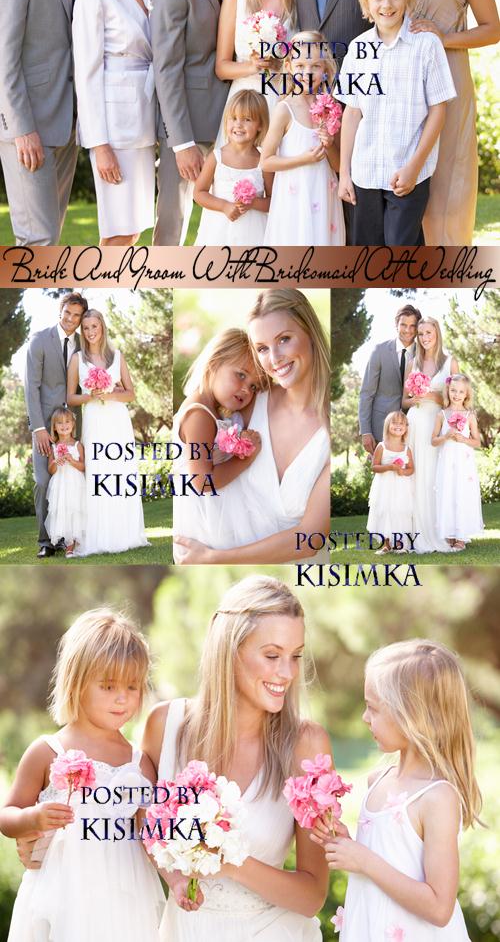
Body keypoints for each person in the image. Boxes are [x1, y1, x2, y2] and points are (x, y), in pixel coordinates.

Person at [142, 574, 330, 939]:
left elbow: (311, 897)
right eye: (272, 655)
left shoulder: (307, 744)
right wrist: (177, 877)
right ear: (229, 650)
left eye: (295, 656)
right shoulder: (165, 726)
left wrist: (230, 863)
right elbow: (142, 822)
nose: (287, 673)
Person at [1, 608, 165, 941]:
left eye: (132, 687)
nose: (122, 698)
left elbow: (150, 836)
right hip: (65, 893)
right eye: (108, 686)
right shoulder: (47, 752)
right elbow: (7, 816)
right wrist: (34, 818)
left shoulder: (140, 763)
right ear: (77, 682)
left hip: (127, 898)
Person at [316, 639, 481, 940]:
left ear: (411, 716)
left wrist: (363, 860)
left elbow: (439, 907)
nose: (365, 718)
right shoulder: (377, 780)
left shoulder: (437, 797)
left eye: (373, 709)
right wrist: (348, 846)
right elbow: (387, 863)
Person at [385, 0, 500, 245]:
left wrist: (442, 37)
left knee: (446, 194)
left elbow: (493, 29)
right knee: (402, 198)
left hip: (447, 86)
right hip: (399, 90)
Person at [174, 289, 330, 564]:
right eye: (262, 348)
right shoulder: (248, 403)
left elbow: (310, 539)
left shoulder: (333, 426)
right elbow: (199, 467)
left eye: (284, 339)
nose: (275, 358)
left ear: (309, 332)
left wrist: (215, 558)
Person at [338, 0, 456, 245]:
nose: (387, 5)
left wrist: (414, 167)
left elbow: (438, 111)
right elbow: (352, 113)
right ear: (366, 3)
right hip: (365, 173)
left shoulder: (426, 45)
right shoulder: (358, 49)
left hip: (407, 171)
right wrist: (344, 173)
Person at [151, 0, 244, 245]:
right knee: (172, 227)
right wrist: (181, 142)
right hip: (189, 124)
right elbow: (167, 66)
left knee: (236, 221)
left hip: (240, 118)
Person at [0, 0, 81, 245]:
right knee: (38, 240)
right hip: (28, 128)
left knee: (50, 238)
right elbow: (5, 55)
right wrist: (21, 129)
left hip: (64, 126)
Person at [72, 0, 156, 245]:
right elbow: (86, 73)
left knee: (133, 228)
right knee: (117, 231)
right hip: (114, 131)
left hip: (144, 122)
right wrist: (99, 145)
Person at [172, 327, 265, 562]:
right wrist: (245, 459)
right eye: (241, 375)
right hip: (204, 518)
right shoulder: (200, 415)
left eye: (254, 386)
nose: (246, 389)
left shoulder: (214, 410)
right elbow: (202, 481)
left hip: (217, 509)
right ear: (214, 363)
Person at [66, 309, 149, 556]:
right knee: (97, 472)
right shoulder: (77, 359)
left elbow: (131, 394)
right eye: (87, 328)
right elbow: (70, 397)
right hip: (94, 422)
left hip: (118, 422)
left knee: (120, 473)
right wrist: (90, 395)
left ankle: (126, 535)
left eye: (95, 327)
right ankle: (98, 536)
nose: (91, 332)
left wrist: (110, 394)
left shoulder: (118, 356)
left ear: (102, 328)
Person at [214, 0, 296, 142]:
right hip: (243, 109)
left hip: (285, 105)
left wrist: (283, 65)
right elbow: (221, 68)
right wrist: (252, 66)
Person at [261, 32, 345, 246]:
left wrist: (329, 144)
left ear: (325, 69)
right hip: (295, 198)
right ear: (289, 67)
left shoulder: (329, 108)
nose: (307, 73)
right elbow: (266, 161)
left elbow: (337, 165)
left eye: (315, 66)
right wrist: (303, 159)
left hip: (324, 194)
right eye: (300, 66)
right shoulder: (285, 109)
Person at [24, 292, 88, 559]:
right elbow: (32, 386)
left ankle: (70, 537)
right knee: (42, 481)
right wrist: (38, 428)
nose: (71, 320)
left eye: (77, 316)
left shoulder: (85, 345)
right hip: (45, 426)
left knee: (74, 480)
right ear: (59, 312)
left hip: (76, 423)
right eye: (68, 313)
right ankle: (45, 540)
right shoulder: (40, 340)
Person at [403, 317, 458, 553]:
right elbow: (404, 400)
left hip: (437, 425)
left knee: (436, 478)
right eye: (421, 334)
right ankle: (415, 531)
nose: (425, 338)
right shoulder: (412, 362)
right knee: (416, 478)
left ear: (437, 333)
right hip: (415, 422)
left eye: (429, 333)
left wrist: (435, 396)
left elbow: (458, 399)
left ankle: (440, 531)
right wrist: (414, 398)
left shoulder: (450, 362)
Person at [194, 89, 271, 244]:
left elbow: (273, 201)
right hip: (218, 231)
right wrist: (224, 206)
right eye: (233, 118)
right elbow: (199, 193)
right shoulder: (216, 157)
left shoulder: (264, 161)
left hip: (253, 233)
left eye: (247, 119)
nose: (238, 124)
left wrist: (253, 203)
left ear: (260, 125)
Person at [358, 303, 421, 454]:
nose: (407, 330)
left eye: (412, 326)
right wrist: (366, 431)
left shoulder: (423, 354)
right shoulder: (379, 351)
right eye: (403, 325)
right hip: (382, 426)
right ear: (396, 325)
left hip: (414, 426)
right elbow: (367, 392)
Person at [432, 374, 483, 551]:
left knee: (461, 494)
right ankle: (450, 534)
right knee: (448, 493)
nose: (457, 394)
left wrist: (463, 439)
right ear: (448, 391)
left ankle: (461, 536)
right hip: (446, 463)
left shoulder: (469, 416)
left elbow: (477, 442)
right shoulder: (441, 414)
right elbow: (433, 441)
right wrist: (445, 436)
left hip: (463, 463)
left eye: (461, 391)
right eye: (453, 390)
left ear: (466, 394)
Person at [367, 411, 415, 554]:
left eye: (401, 423)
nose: (398, 426)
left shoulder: (406, 449)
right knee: (386, 512)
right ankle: (386, 544)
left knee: (399, 511)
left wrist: (402, 471)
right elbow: (374, 467)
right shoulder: (382, 446)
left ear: (406, 428)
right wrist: (390, 467)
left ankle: (399, 544)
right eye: (394, 423)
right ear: (388, 426)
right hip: (385, 486)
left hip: (401, 487)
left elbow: (411, 469)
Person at [45, 407, 86, 557]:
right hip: (61, 485)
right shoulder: (54, 447)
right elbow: (51, 469)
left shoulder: (77, 445)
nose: (64, 425)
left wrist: (72, 460)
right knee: (64, 513)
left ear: (73, 424)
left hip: (75, 484)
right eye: (60, 423)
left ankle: (71, 548)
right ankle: (66, 543)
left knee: (75, 512)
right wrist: (57, 461)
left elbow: (82, 467)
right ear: (54, 427)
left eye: (67, 421)